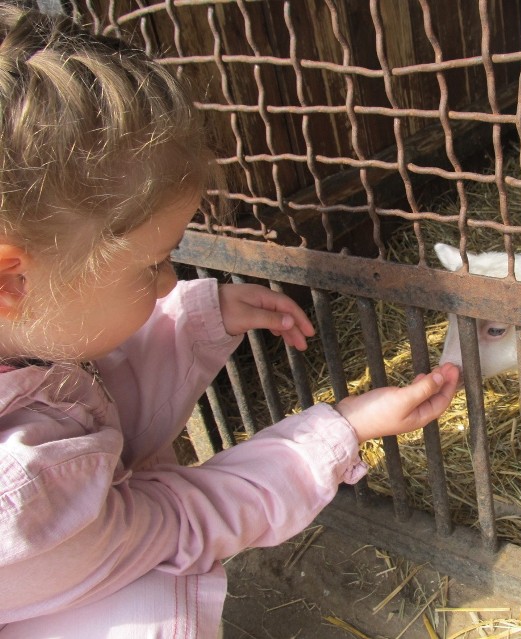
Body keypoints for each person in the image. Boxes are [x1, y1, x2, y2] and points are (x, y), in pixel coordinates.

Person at [0, 6, 460, 637]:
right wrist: (340, 429)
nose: (171, 283)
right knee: (150, 617)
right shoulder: (20, 498)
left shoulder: (27, 337)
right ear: (11, 281)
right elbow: (176, 522)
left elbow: (88, 395)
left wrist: (197, 318)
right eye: (154, 266)